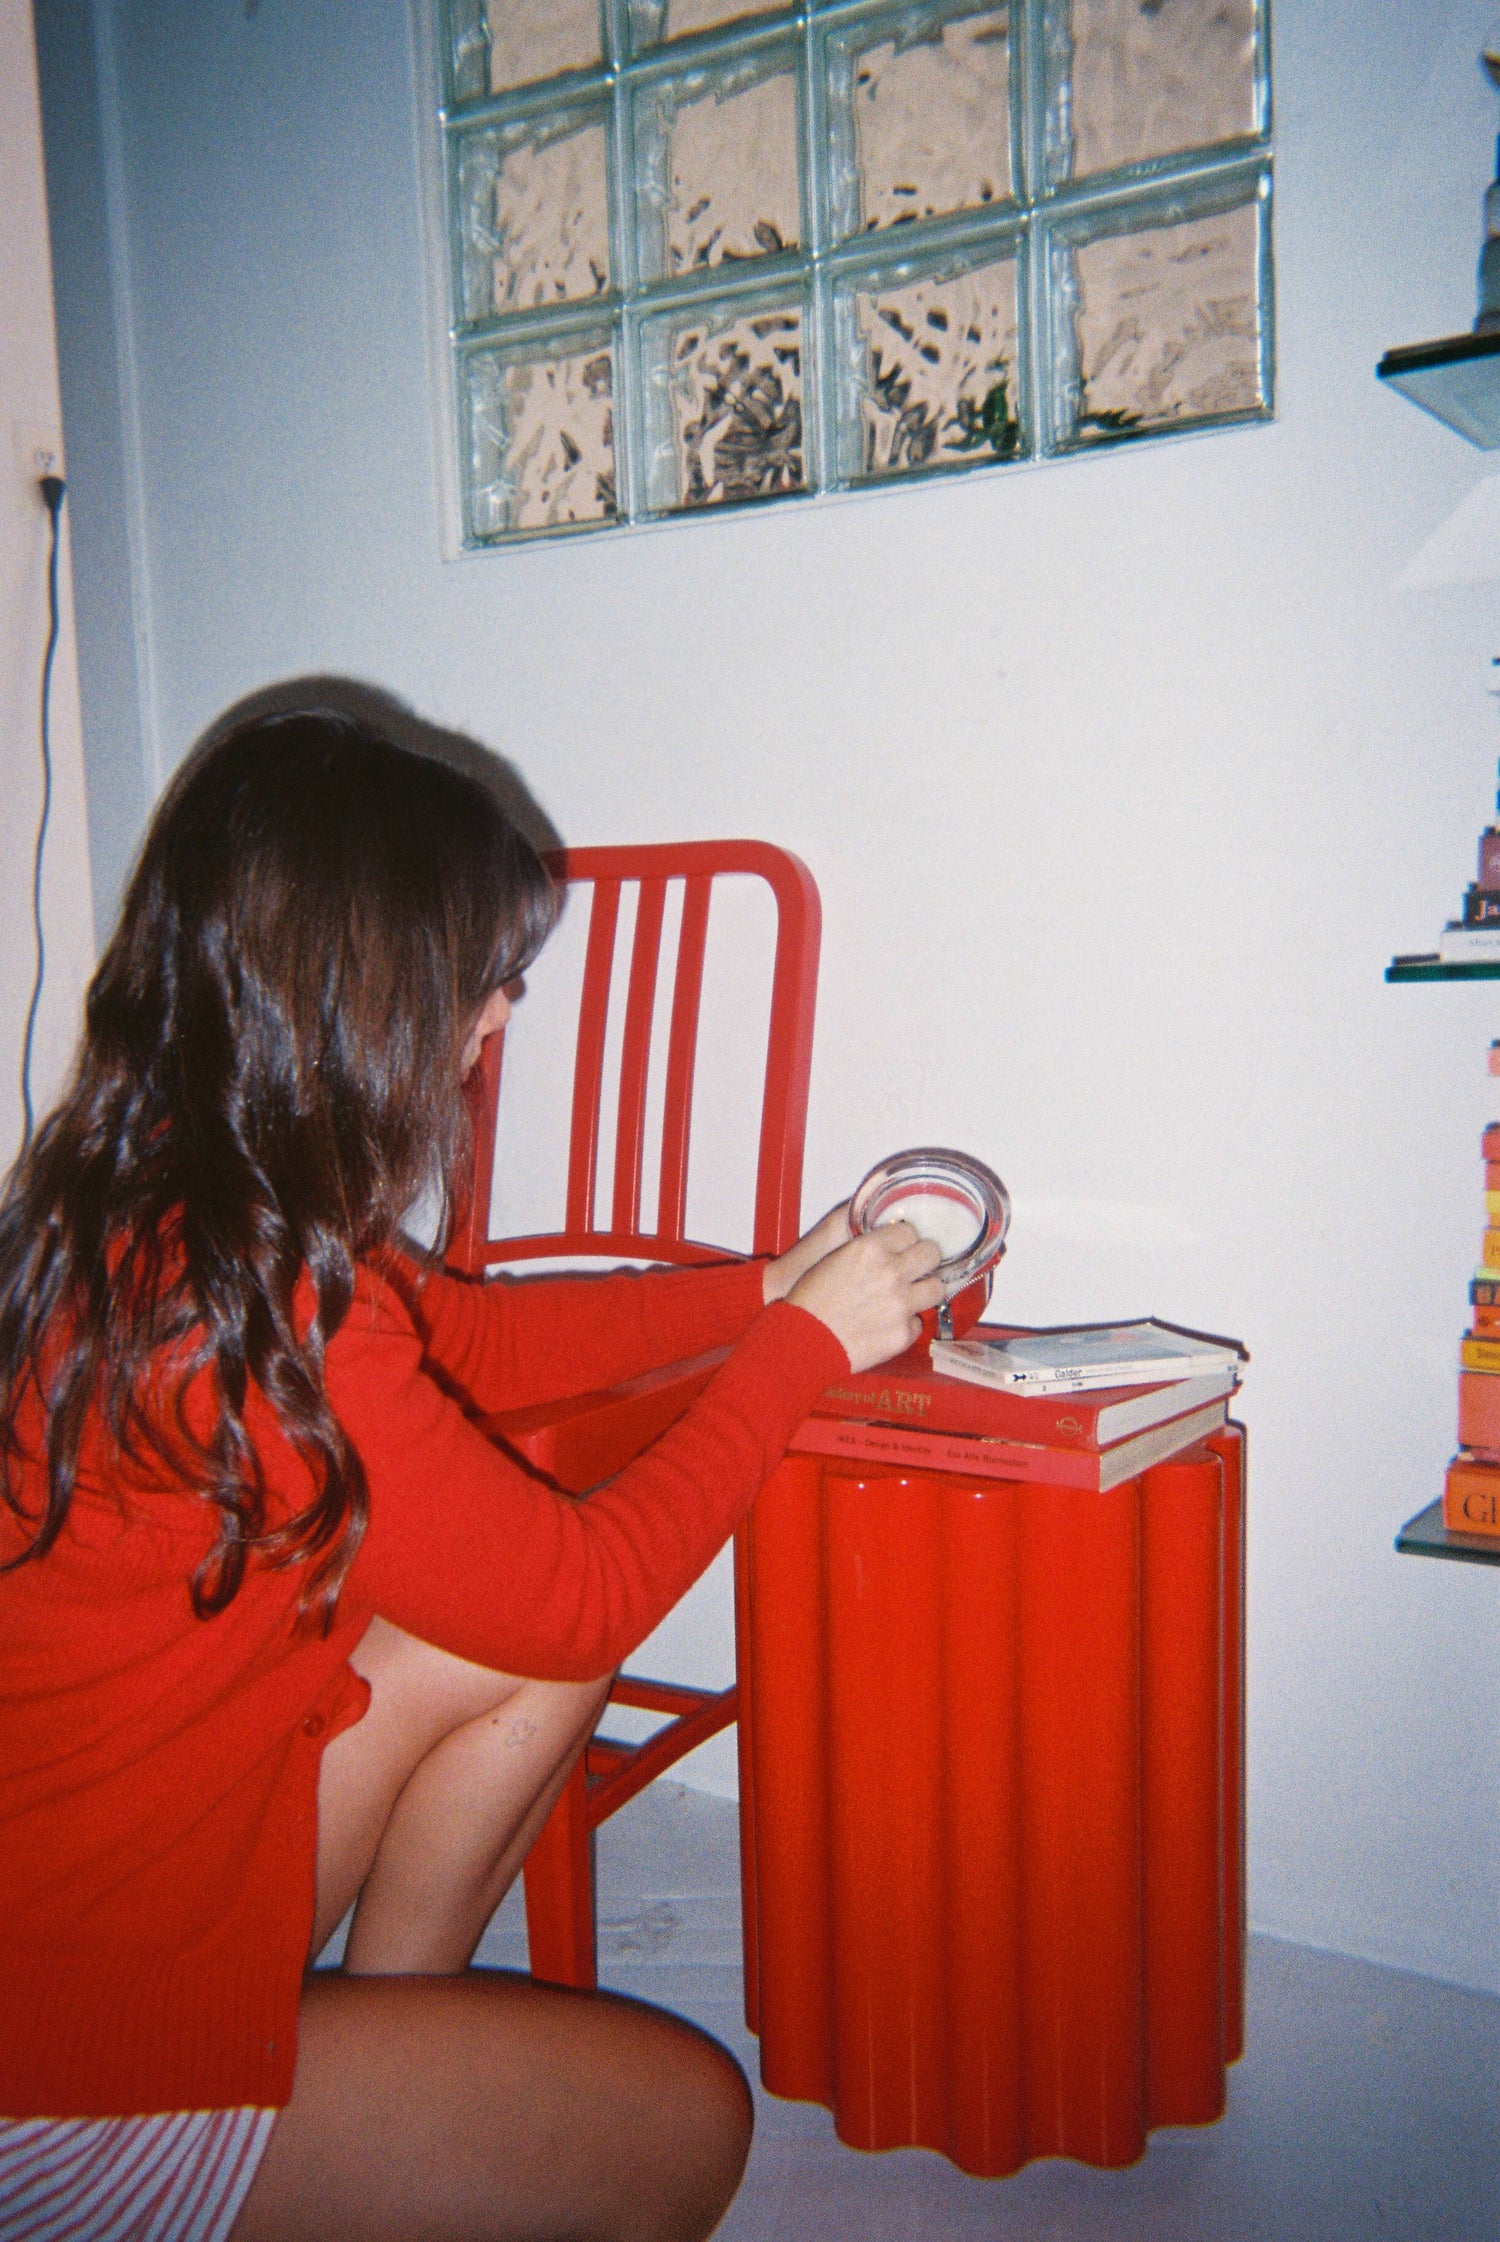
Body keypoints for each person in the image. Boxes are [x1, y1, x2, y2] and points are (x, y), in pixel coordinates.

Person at [0, 704, 943, 2242]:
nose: (503, 1010)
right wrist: (803, 1351)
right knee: (687, 2127)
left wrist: (762, 1287)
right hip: (66, 2089)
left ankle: (392, 2057)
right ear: (365, 989)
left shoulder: (162, 1200)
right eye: (486, 973)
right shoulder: (258, 1311)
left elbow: (475, 1342)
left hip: (116, 1909)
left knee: (506, 1651)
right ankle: (327, 2132)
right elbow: (586, 1592)